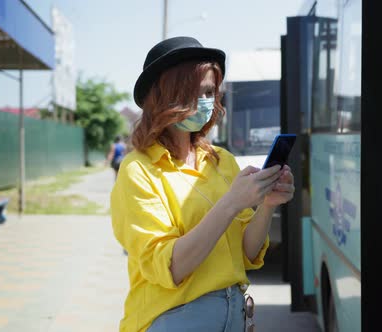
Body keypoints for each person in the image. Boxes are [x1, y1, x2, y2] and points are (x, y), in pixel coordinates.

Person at [110, 36, 294, 332]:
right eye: (198, 92)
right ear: (166, 96)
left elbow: (247, 253)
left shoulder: (222, 161)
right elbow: (172, 267)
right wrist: (232, 202)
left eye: (211, 92)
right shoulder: (138, 170)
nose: (208, 101)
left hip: (234, 317)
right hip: (172, 319)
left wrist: (266, 205)